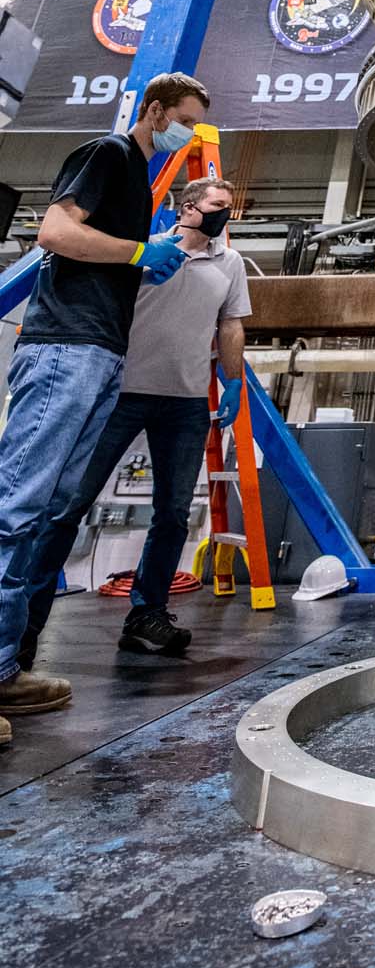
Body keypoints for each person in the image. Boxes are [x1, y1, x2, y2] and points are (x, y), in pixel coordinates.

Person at [0, 71, 207, 734]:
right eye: (183, 120)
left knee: (46, 511)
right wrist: (139, 250)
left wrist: (143, 256)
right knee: (19, 506)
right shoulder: (108, 155)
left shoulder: (139, 186)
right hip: (67, 346)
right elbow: (56, 234)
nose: (187, 134)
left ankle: (6, 669)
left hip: (99, 352)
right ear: (153, 111)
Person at [19, 177, 249, 663]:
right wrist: (142, 258)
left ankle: (147, 615)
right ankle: (24, 622)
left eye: (228, 207)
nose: (224, 214)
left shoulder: (229, 263)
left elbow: (230, 323)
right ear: (189, 207)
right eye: (217, 205)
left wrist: (233, 381)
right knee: (68, 508)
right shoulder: (144, 252)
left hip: (185, 401)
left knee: (172, 514)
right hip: (120, 393)